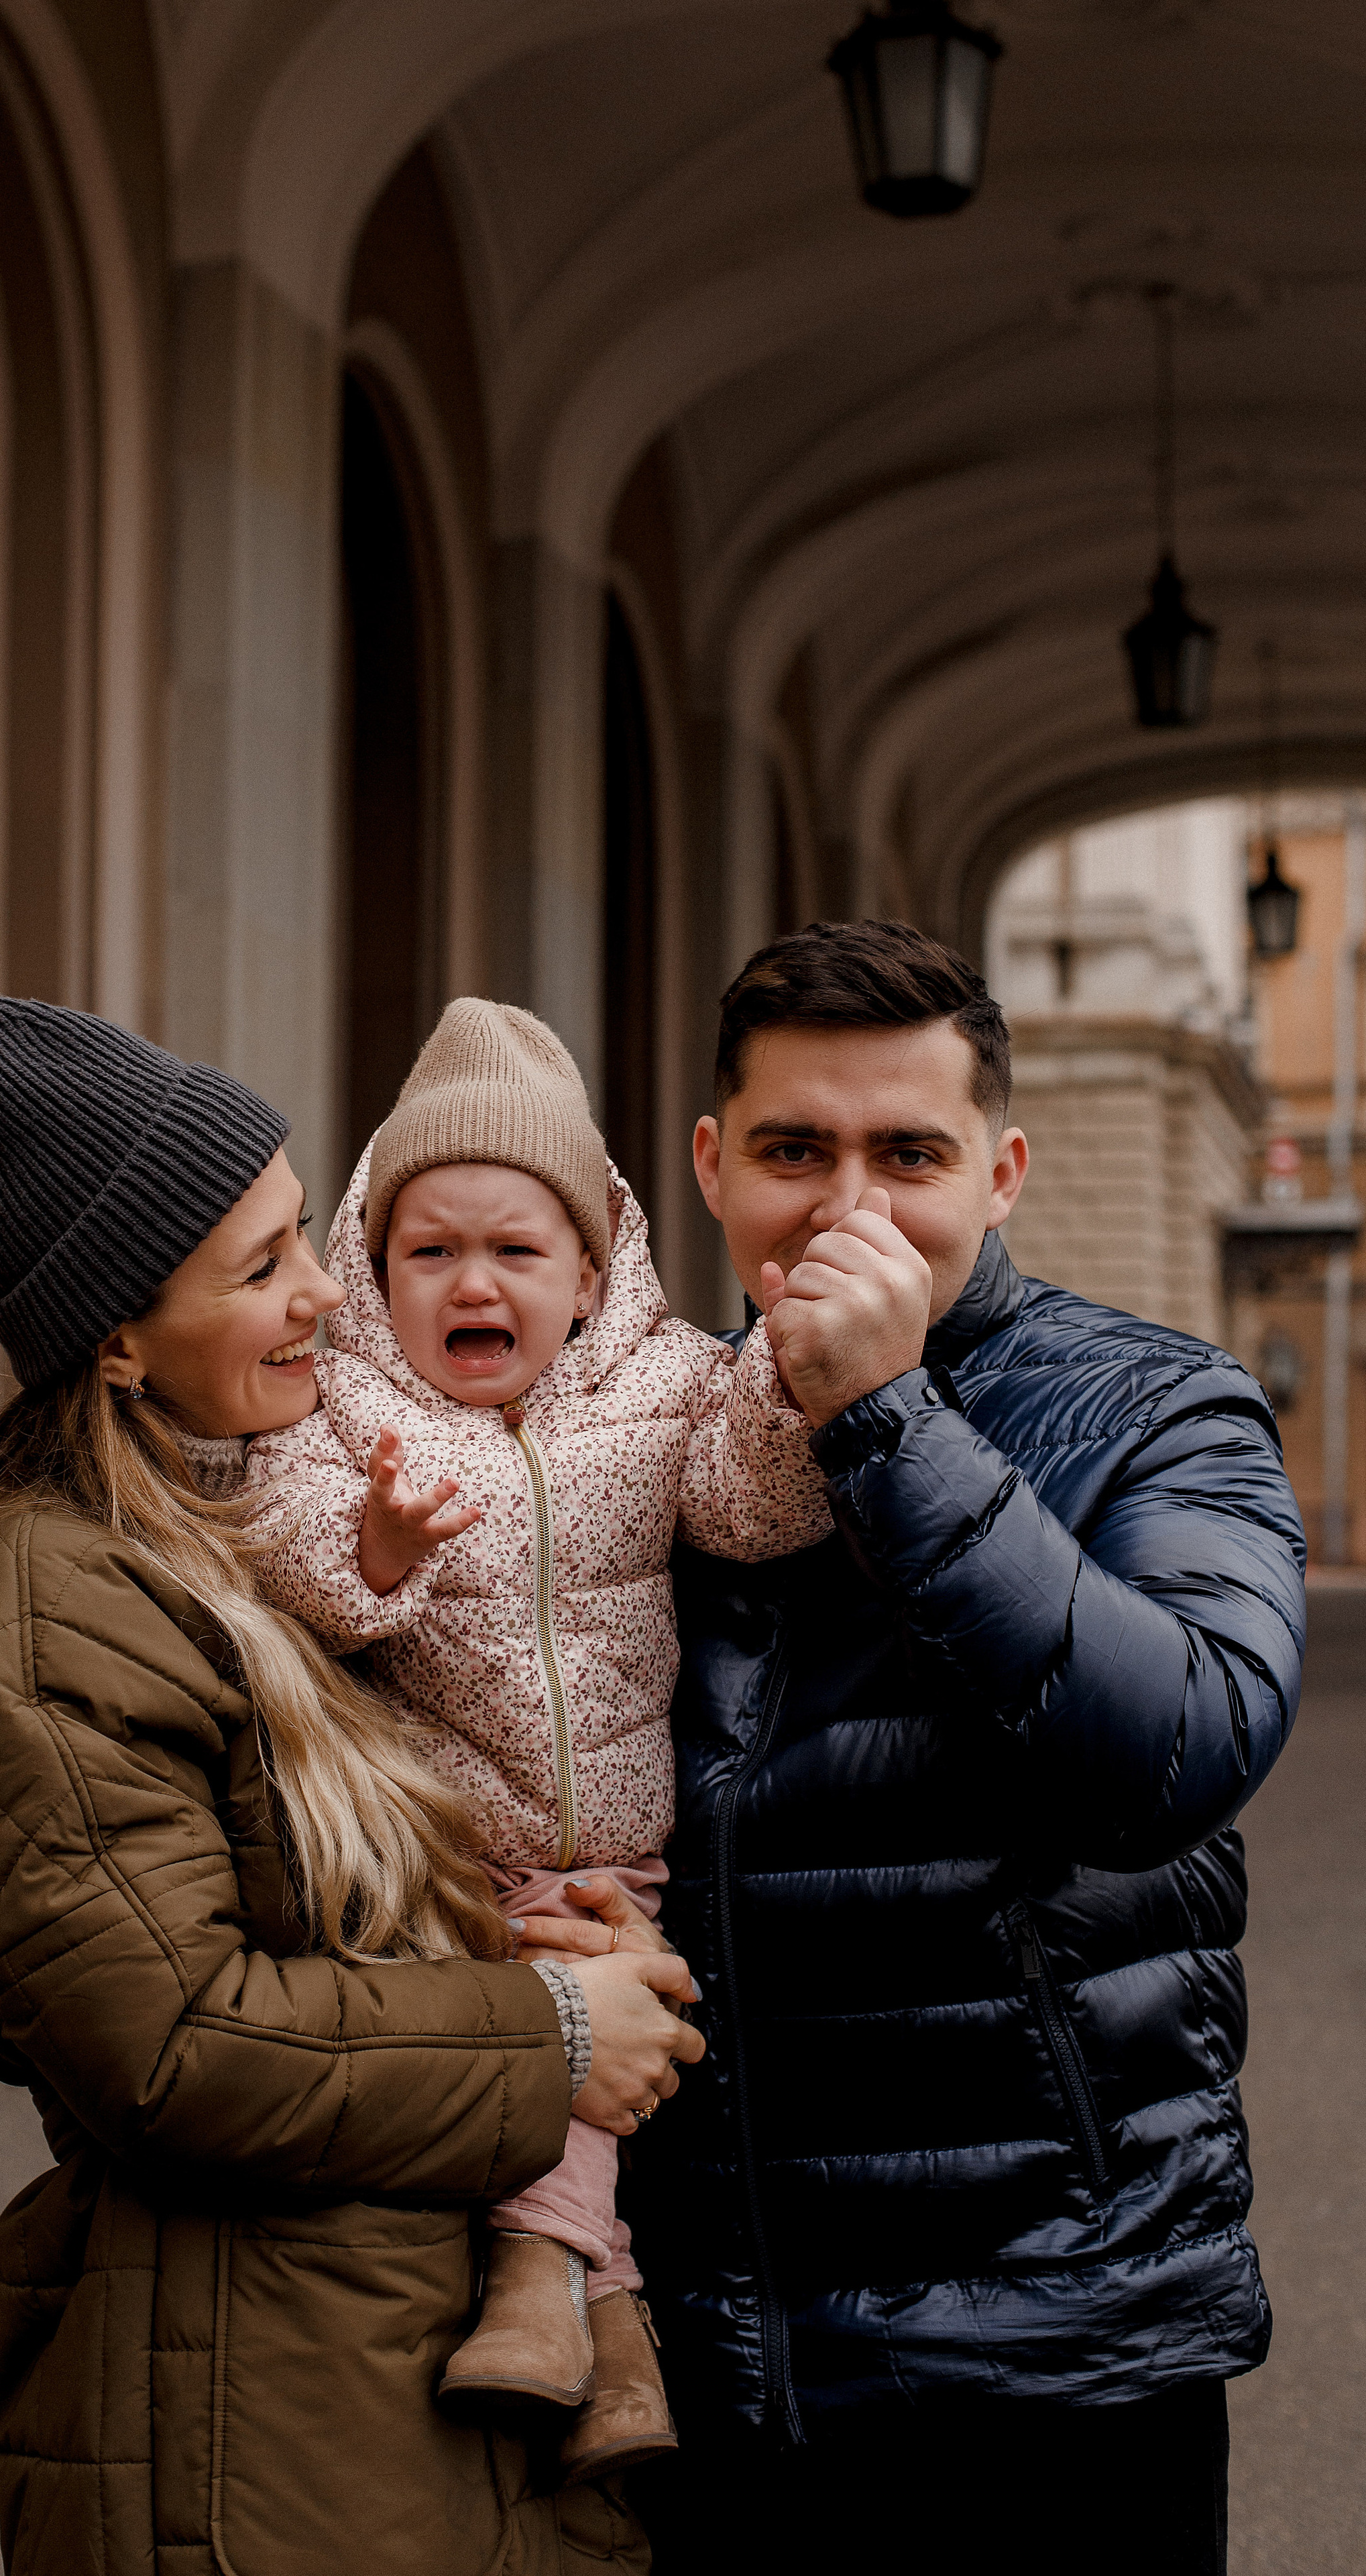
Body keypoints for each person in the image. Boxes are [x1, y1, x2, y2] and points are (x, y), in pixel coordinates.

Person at [0, 994, 705, 2576]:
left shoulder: (241, 1542)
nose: (326, 1295)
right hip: (255, 2435)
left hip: (358, 2386)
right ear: (114, 1333)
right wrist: (555, 2031)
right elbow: (171, 2040)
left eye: (308, 1236)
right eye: (261, 1268)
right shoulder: (54, 1605)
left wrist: (545, 1935)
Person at [536, 921, 1304, 2575]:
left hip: (1054, 2357)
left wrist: (889, 1421)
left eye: (910, 1155)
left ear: (1001, 1172)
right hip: (711, 2365)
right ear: (707, 1164)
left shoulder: (1158, 1409)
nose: (848, 1209)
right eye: (793, 1152)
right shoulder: (628, 1433)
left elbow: (1180, 1751)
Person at [237, 997, 832, 2481]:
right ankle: (554, 2297)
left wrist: (782, 1376)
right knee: (541, 2051)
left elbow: (752, 1509)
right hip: (429, 1854)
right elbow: (282, 1540)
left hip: (618, 1849)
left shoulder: (664, 1384)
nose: (471, 1280)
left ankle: (576, 2315)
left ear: (590, 1269)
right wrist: (375, 1548)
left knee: (583, 2027)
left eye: (515, 1248)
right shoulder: (344, 1414)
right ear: (375, 1275)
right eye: (428, 1251)